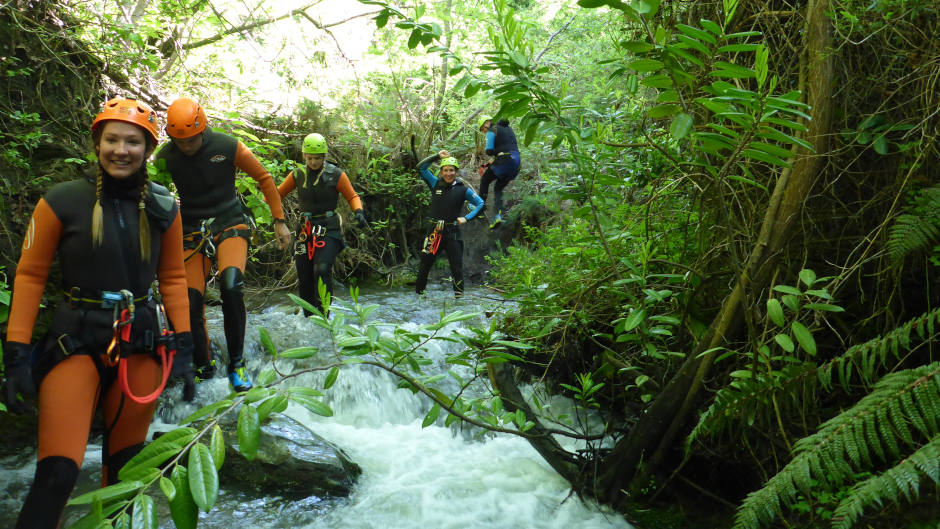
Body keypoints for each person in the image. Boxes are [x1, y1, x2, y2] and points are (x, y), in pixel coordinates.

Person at [1, 97, 193, 529]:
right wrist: (15, 355)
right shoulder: (62, 201)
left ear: (147, 149)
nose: (120, 150)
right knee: (57, 474)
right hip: (76, 342)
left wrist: (184, 347)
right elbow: (30, 276)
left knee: (127, 473)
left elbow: (175, 279)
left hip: (141, 342)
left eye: (132, 142)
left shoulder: (164, 208)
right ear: (97, 143)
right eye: (112, 140)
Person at [156, 97, 291, 394]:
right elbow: (157, 195)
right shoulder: (166, 158)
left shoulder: (228, 147)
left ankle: (237, 363)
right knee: (190, 301)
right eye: (179, 141)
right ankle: (205, 366)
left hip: (231, 222)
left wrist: (279, 221)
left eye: (191, 140)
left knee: (231, 286)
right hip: (192, 230)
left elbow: (264, 179)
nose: (186, 146)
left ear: (201, 130)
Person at [277, 133, 368, 316]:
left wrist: (358, 211)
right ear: (304, 156)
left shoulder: (335, 174)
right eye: (310, 158)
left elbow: (352, 196)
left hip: (329, 228)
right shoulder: (297, 174)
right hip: (305, 229)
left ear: (324, 156)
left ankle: (325, 314)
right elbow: (277, 195)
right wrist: (263, 204)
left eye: (317, 158)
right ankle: (309, 317)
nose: (313, 162)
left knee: (323, 267)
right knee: (304, 275)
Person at [415, 150, 484, 297]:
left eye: (451, 170)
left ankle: (458, 300)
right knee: (425, 266)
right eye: (445, 170)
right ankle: (418, 298)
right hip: (434, 231)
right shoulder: (435, 183)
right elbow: (421, 168)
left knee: (456, 268)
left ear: (456, 172)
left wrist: (467, 218)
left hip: (452, 232)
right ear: (441, 172)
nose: (448, 173)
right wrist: (437, 156)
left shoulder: (463, 190)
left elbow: (480, 203)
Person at [477, 116, 521, 229]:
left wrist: (489, 141)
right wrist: (489, 163)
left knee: (485, 180)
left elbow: (489, 151)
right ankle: (497, 216)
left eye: (482, 128)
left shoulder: (492, 130)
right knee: (498, 188)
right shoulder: (508, 128)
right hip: (516, 163)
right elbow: (505, 149)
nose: (483, 131)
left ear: (487, 123)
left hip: (505, 160)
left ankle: (479, 208)